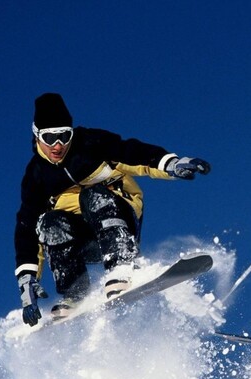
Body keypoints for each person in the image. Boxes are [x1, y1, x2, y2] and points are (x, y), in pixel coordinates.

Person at [15, 93, 211, 327]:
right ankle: (75, 293)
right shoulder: (36, 178)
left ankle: (121, 264)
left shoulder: (90, 144)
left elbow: (134, 154)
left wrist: (170, 163)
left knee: (92, 194)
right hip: (84, 241)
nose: (58, 145)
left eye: (64, 136)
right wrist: (27, 281)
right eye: (50, 137)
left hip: (117, 217)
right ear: (37, 135)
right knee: (49, 222)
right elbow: (27, 229)